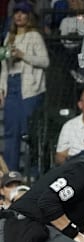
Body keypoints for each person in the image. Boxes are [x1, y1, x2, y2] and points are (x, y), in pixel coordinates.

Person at [0, 2, 49, 171]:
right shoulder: (9, 37)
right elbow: (4, 67)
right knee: (10, 133)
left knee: (29, 132)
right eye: (16, 13)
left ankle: (35, 171)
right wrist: (1, 89)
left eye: (23, 13)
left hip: (29, 87)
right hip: (11, 86)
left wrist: (23, 55)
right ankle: (10, 174)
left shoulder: (34, 36)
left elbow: (44, 61)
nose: (19, 16)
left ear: (29, 16)